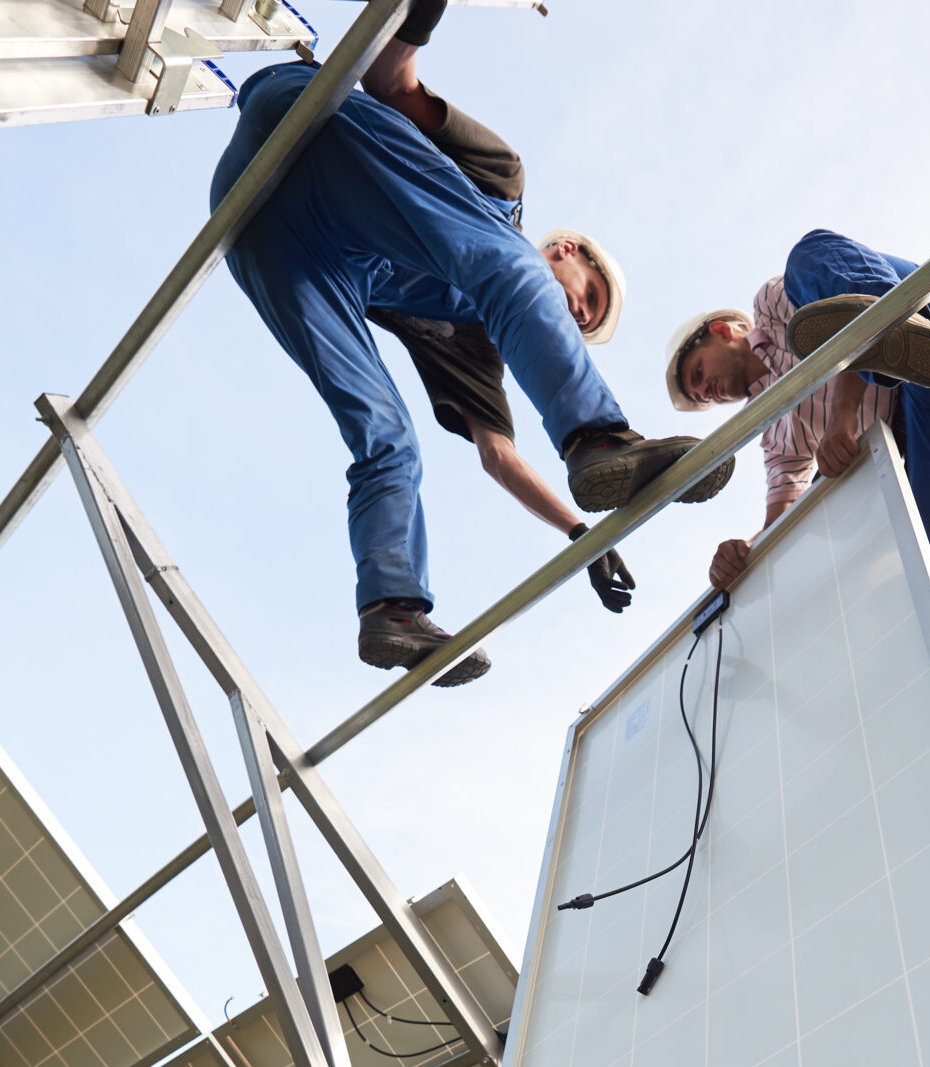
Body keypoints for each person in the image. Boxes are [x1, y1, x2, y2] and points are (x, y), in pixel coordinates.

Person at [211, 4, 731, 687]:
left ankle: (392, 609)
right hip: (312, 125)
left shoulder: (474, 343)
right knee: (506, 261)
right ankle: (598, 435)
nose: (575, 311)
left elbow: (499, 455)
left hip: (271, 236)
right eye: (587, 298)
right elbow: (389, 79)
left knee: (386, 437)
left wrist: (579, 535)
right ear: (569, 250)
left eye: (580, 322)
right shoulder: (504, 182)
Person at [667, 230, 930, 782]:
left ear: (721, 332)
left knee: (807, 256)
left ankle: (894, 329)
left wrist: (842, 414)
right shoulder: (776, 433)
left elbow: (833, 316)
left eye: (700, 376)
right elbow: (784, 520)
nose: (709, 394)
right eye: (701, 400)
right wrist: (742, 556)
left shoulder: (771, 307)